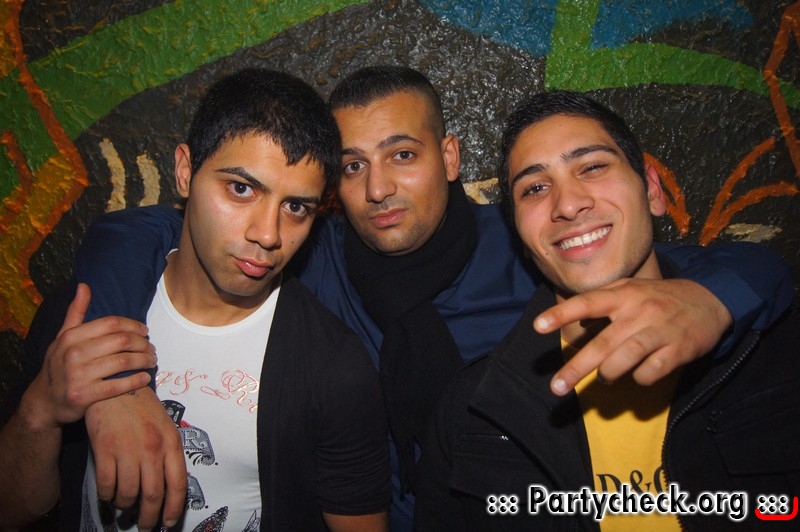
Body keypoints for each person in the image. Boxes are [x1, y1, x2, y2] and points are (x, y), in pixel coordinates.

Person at [67, 67, 793, 530]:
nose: (379, 188)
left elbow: (733, 270)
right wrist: (115, 378)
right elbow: (140, 233)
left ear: (449, 158)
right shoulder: (303, 254)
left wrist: (715, 301)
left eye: (402, 155)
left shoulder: (537, 249)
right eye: (353, 166)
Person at [0, 68, 391, 531]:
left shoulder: (335, 367)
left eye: (295, 207)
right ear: (185, 172)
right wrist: (41, 412)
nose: (268, 234)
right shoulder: (81, 315)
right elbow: (13, 512)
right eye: (241, 188)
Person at [414, 91, 800, 531]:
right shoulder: (474, 410)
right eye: (535, 188)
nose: (567, 204)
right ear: (519, 233)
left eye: (593, 167)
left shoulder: (774, 349)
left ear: (652, 189)